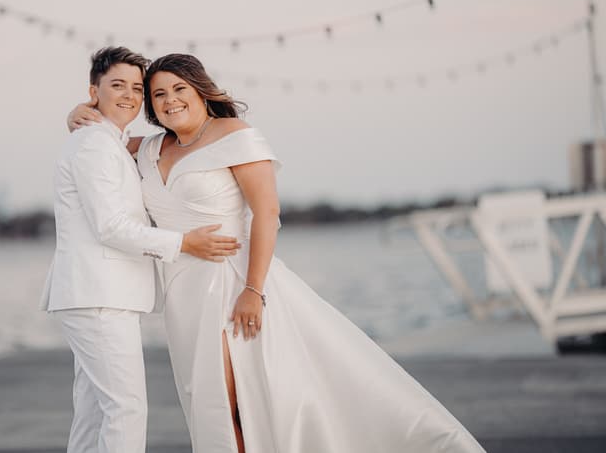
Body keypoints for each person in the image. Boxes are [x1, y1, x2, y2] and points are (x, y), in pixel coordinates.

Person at [68, 53, 485, 452]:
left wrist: (254, 289)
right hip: (182, 293)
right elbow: (104, 138)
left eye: (179, 89)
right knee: (204, 402)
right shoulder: (149, 147)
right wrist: (77, 114)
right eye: (158, 95)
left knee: (240, 400)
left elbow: (267, 214)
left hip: (233, 282)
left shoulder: (236, 136)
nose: (170, 100)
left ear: (200, 91)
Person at [41, 47, 242, 453]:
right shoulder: (95, 145)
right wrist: (185, 242)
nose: (130, 95)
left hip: (98, 294)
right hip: (99, 294)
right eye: (117, 85)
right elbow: (110, 226)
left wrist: (80, 114)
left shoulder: (109, 141)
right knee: (125, 409)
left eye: (137, 88)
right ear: (93, 91)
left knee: (95, 410)